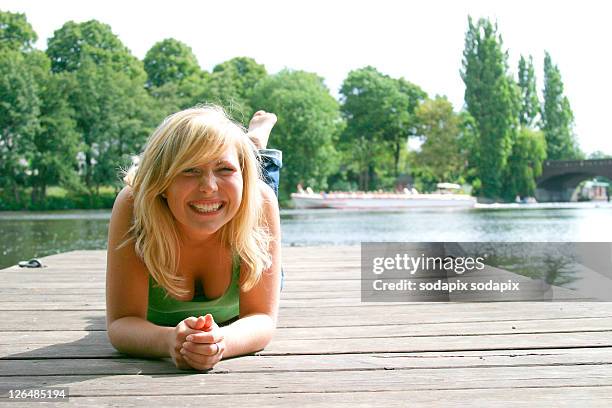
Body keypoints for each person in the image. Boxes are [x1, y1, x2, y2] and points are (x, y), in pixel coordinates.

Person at [105, 106, 282, 371]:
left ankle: (254, 141)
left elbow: (261, 319)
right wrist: (169, 341)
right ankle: (244, 149)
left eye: (224, 169)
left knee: (262, 179)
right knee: (227, 188)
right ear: (161, 182)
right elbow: (121, 324)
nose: (209, 185)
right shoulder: (135, 205)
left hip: (247, 224)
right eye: (189, 170)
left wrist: (221, 342)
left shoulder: (259, 200)